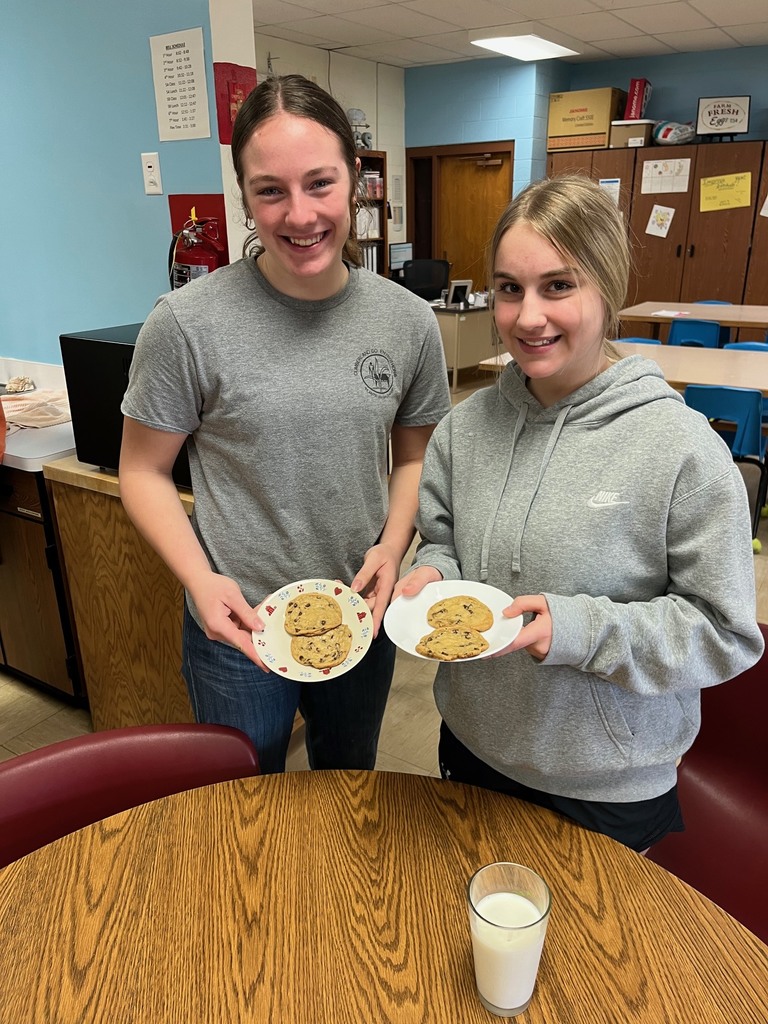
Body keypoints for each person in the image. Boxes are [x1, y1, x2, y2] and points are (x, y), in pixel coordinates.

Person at [394, 173, 764, 852]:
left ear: (608, 289)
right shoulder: (462, 431)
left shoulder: (681, 450)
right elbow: (446, 541)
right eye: (509, 288)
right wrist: (433, 574)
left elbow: (724, 632)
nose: (528, 316)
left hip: (603, 784)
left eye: (558, 286)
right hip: (471, 745)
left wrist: (575, 628)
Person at [119, 75, 451, 774]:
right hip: (237, 623)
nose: (300, 215)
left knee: (347, 780)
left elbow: (416, 459)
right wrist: (198, 580)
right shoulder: (185, 324)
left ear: (356, 180)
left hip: (362, 608)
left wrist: (394, 548)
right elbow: (143, 470)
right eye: (271, 189)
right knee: (242, 799)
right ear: (244, 194)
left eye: (321, 183)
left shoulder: (407, 321)